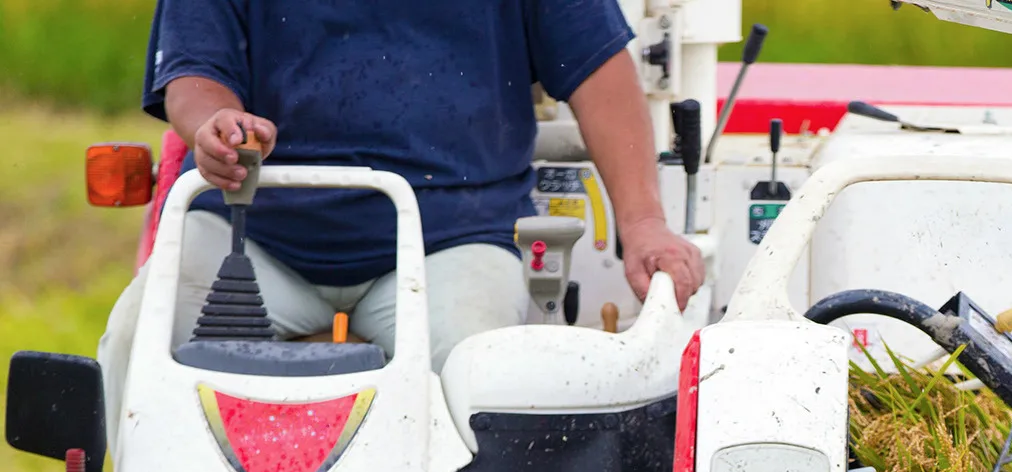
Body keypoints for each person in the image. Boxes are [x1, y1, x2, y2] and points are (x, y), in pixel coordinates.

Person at [98, 0, 705, 427]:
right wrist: (216, 124)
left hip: (450, 244)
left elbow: (600, 74)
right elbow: (194, 77)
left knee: (483, 387)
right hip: (252, 235)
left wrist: (643, 222)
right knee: (138, 337)